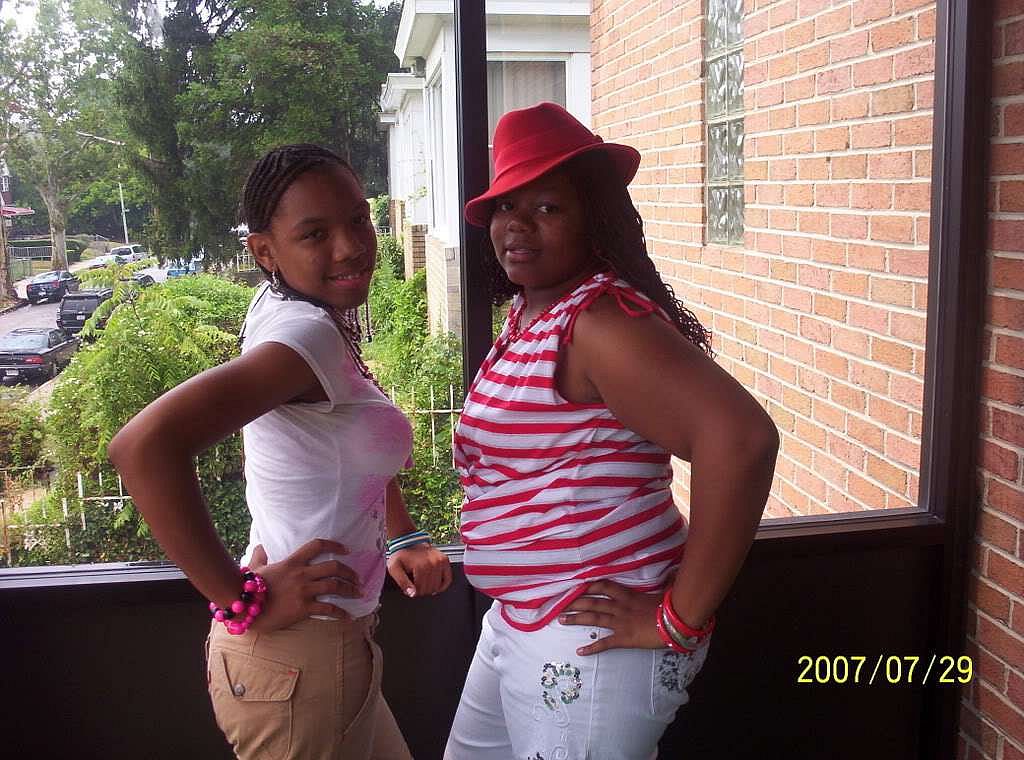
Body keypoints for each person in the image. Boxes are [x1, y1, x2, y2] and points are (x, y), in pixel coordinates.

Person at [443, 103, 779, 760]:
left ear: (594, 217)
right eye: (506, 206)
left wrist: (678, 618)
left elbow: (741, 441)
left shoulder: (598, 323)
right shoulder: (533, 315)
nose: (518, 224)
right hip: (524, 616)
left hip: (591, 637)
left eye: (547, 207)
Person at [108, 144, 452, 760]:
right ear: (265, 252)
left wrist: (401, 534)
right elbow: (143, 447)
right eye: (315, 233)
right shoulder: (305, 335)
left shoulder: (290, 305)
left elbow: (351, 443)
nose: (351, 246)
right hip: (299, 662)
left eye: (358, 219)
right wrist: (239, 597)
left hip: (325, 649)